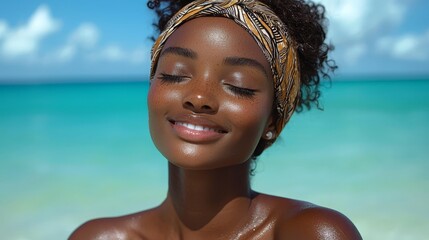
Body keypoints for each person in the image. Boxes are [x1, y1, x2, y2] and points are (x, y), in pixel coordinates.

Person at [69, 0, 362, 239]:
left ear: (272, 120)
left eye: (239, 85)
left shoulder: (309, 233)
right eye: (175, 74)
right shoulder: (97, 237)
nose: (199, 98)